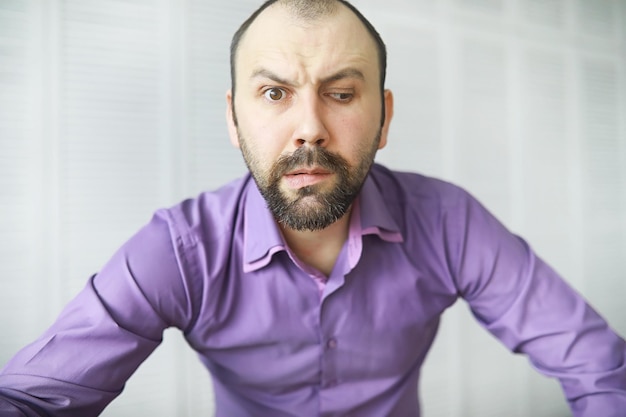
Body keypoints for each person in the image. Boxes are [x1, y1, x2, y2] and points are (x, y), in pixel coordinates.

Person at [1, 0, 625, 415]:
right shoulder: (179, 251)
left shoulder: (448, 222)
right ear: (233, 119)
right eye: (275, 92)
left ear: (383, 117)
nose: (310, 129)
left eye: (342, 93)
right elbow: (31, 398)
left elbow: (601, 370)